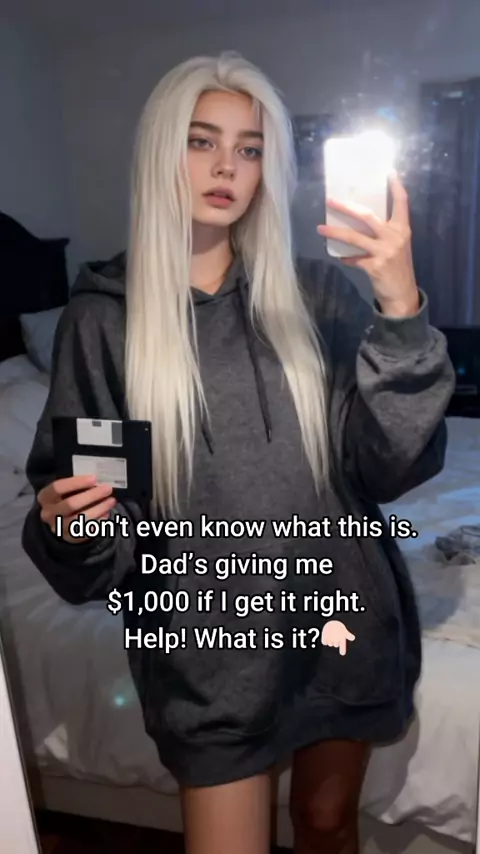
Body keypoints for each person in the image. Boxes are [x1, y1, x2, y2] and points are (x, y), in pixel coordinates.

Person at [22, 51, 455, 854]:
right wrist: (73, 526)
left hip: (341, 620)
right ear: (161, 151)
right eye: (202, 140)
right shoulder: (105, 321)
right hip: (209, 654)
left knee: (326, 825)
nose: (227, 166)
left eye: (250, 149)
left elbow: (390, 465)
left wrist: (399, 305)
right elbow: (98, 533)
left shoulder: (316, 296)